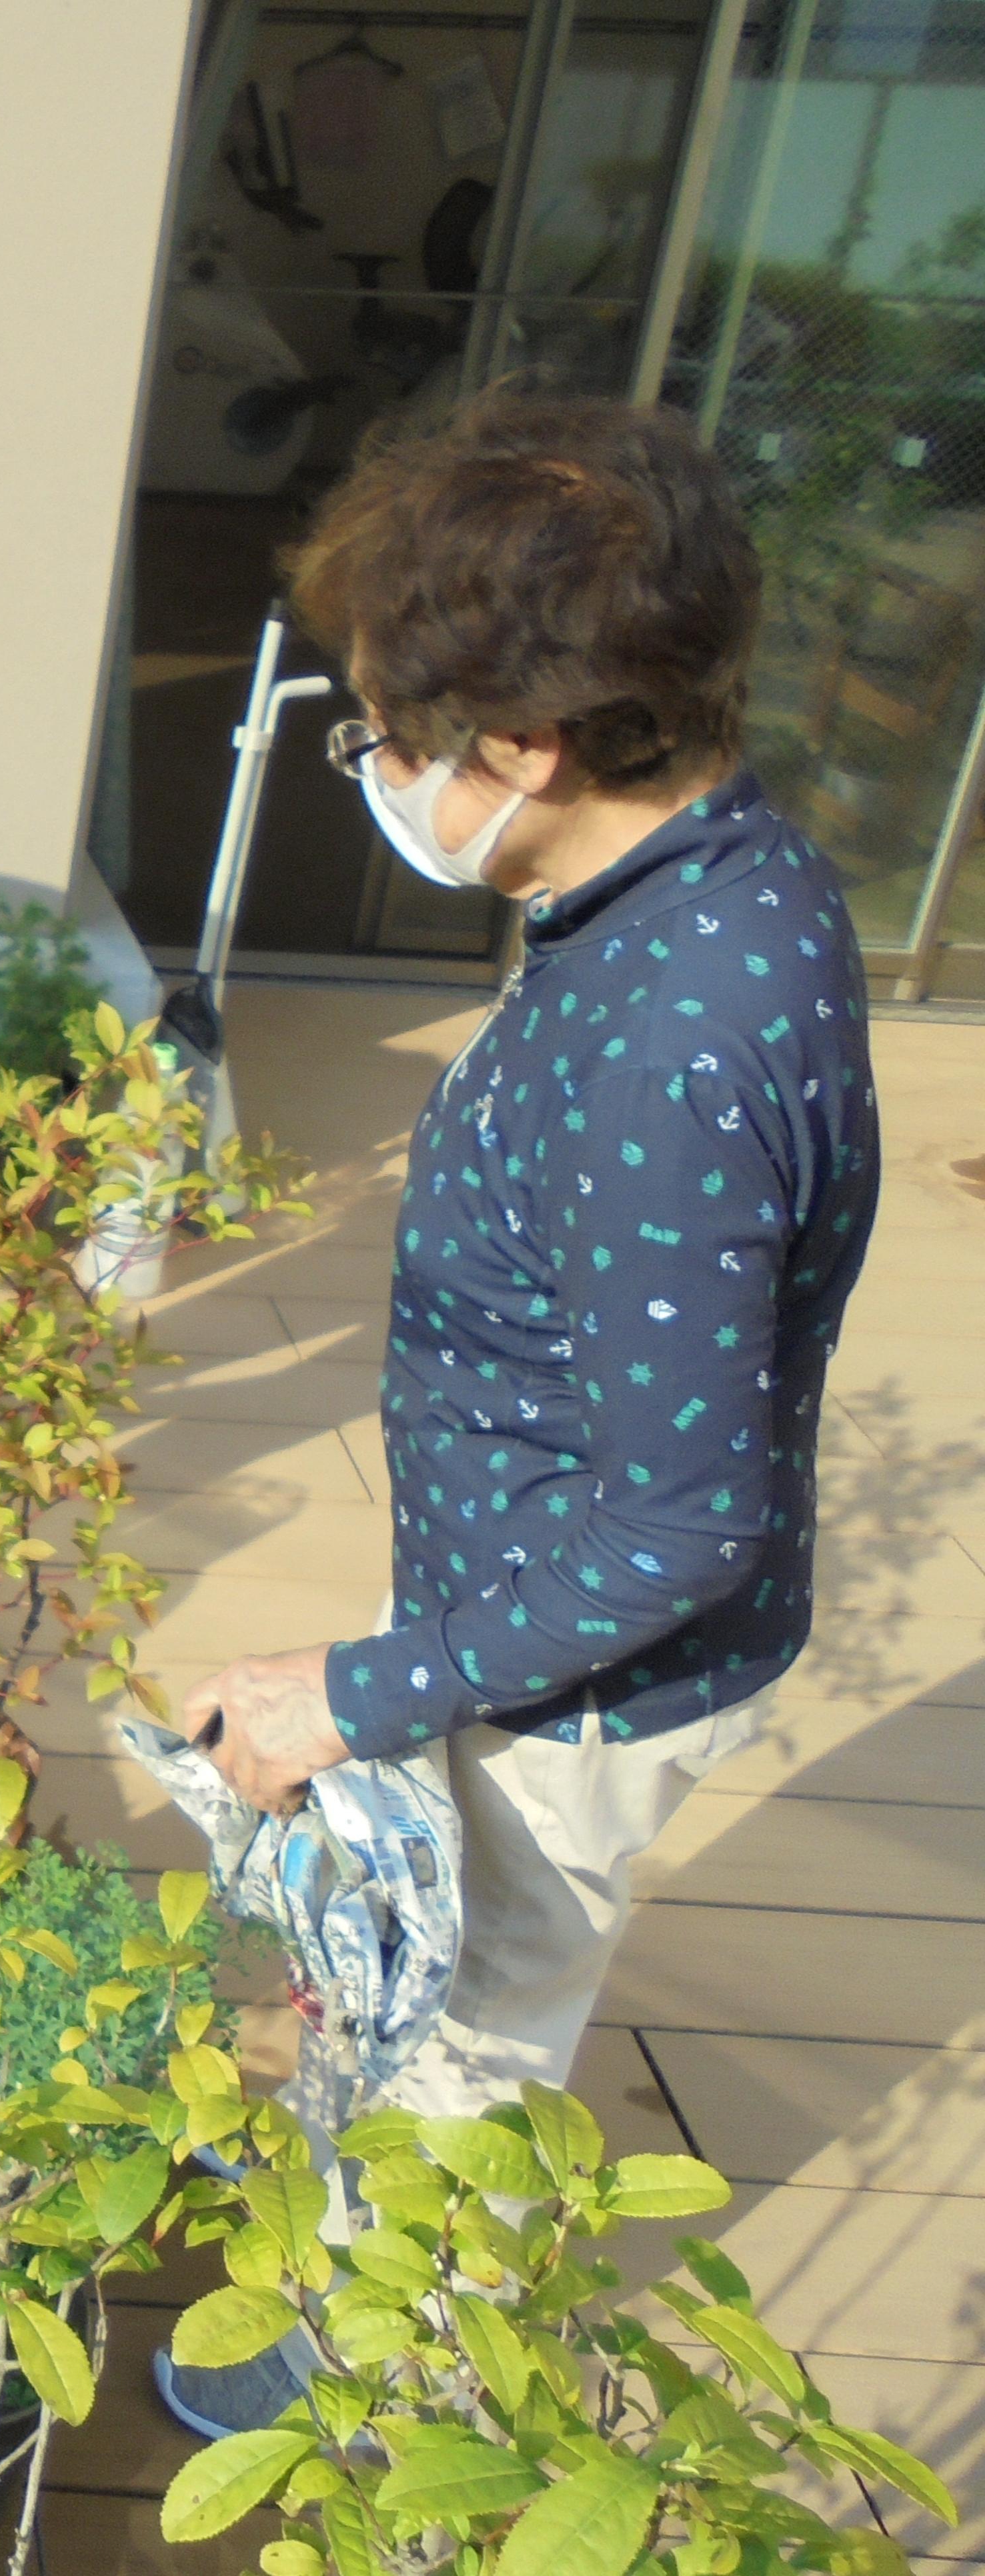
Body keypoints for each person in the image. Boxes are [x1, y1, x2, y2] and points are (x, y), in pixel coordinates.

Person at [157, 393, 880, 2435]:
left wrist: (359, 1688)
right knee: (420, 1981)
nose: (374, 772)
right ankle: (363, 2207)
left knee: (480, 2041)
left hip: (574, 1662)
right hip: (523, 1597)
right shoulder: (708, 885)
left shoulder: (677, 1036)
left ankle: (389, 2399)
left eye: (385, 735)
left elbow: (679, 1523)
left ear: (528, 748)